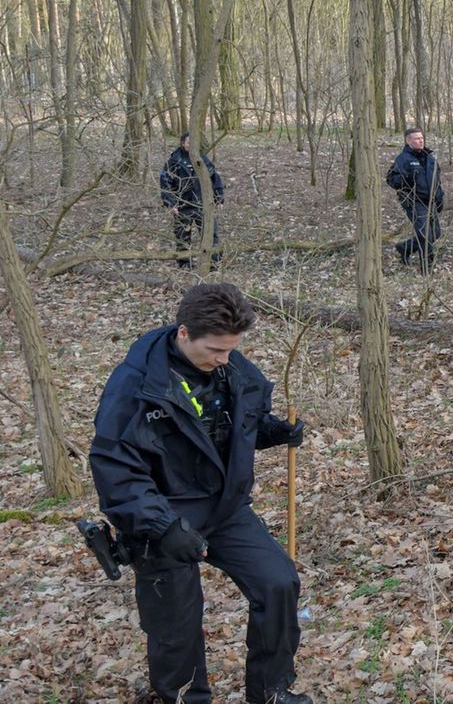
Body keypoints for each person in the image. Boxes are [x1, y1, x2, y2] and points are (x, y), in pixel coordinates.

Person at [90, 283, 309, 704]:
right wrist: (163, 526)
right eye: (216, 350)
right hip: (163, 518)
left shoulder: (231, 366)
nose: (225, 359)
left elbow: (236, 427)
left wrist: (271, 431)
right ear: (184, 333)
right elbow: (116, 467)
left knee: (279, 583)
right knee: (176, 624)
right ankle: (185, 697)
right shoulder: (136, 385)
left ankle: (272, 689)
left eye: (231, 349)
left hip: (225, 508)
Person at [160, 132, 225, 269]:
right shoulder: (174, 161)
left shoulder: (203, 159)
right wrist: (171, 204)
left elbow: (215, 178)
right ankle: (184, 264)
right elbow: (165, 184)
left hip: (203, 204)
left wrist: (219, 198)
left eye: (193, 143)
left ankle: (213, 263)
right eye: (188, 143)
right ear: (183, 143)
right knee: (182, 237)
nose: (191, 145)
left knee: (210, 234)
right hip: (183, 206)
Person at [386, 127, 445, 272]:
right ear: (408, 141)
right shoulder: (403, 159)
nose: (420, 141)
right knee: (425, 234)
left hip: (431, 201)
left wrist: (440, 197)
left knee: (435, 233)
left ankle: (405, 247)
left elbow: (437, 181)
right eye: (416, 139)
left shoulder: (430, 159)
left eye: (421, 138)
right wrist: (405, 180)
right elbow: (391, 179)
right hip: (414, 201)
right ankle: (427, 268)